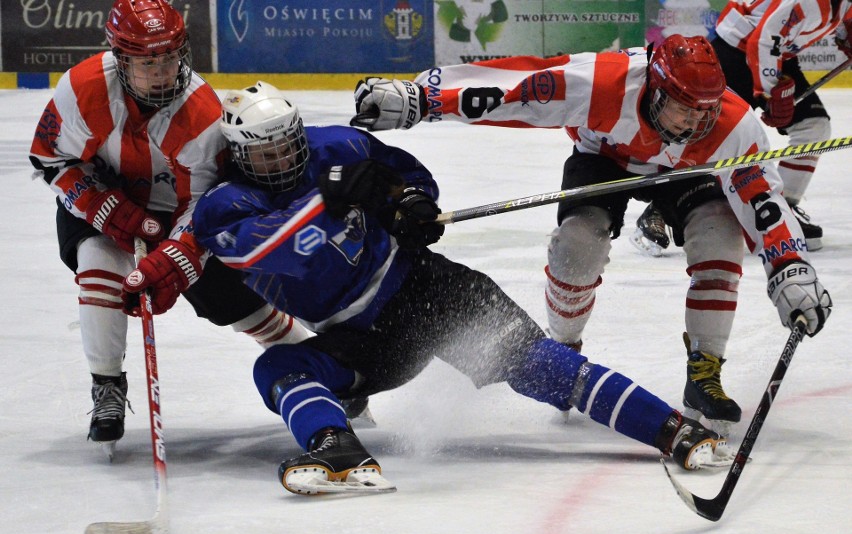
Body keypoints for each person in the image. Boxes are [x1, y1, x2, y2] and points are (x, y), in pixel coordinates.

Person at [192, 81, 734, 495]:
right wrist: (328, 199)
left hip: (424, 288)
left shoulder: (337, 146)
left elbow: (413, 180)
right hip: (361, 340)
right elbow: (278, 249)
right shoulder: (223, 209)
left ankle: (674, 431)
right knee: (278, 368)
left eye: (288, 146)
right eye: (267, 154)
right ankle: (339, 452)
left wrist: (410, 205)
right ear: (239, 155)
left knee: (539, 365)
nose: (284, 160)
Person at [348, 34, 833, 434]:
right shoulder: (605, 82)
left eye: (703, 111)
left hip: (690, 172)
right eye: (682, 109)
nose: (693, 121)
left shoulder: (730, 126)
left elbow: (762, 203)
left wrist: (790, 268)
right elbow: (511, 88)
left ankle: (704, 372)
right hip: (606, 158)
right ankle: (564, 346)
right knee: (576, 248)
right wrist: (423, 97)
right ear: (655, 90)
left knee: (721, 240)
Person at [28, 0, 307, 457]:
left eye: (170, 58)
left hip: (180, 218)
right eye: (148, 62)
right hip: (105, 199)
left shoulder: (202, 115)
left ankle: (322, 366)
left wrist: (172, 260)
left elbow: (204, 208)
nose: (163, 72)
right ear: (121, 59)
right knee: (98, 262)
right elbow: (51, 159)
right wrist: (107, 209)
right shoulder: (82, 90)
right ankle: (107, 387)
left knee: (240, 308)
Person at [633, 0, 852, 254]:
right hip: (736, 54)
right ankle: (658, 211)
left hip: (774, 55)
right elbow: (764, 37)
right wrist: (770, 94)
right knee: (707, 141)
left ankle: (785, 207)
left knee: (813, 126)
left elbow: (838, 18)